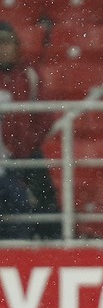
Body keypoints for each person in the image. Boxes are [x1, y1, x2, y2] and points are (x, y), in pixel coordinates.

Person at [0, 21, 59, 239]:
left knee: (45, 201)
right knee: (14, 203)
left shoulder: (29, 73)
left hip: (28, 152)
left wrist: (28, 143)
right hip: (2, 157)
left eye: (7, 42)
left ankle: (51, 244)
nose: (3, 48)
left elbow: (44, 115)